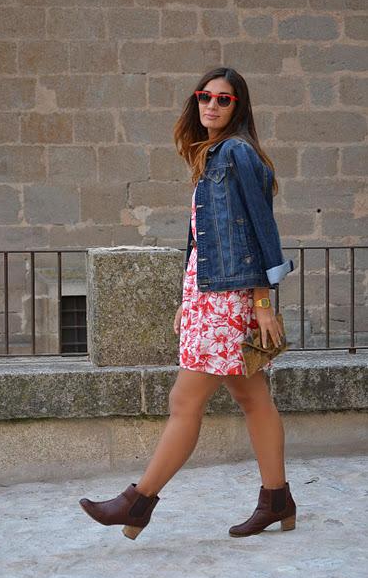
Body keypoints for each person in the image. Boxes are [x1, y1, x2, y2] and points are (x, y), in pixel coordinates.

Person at [79, 67, 297, 541]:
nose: (212, 106)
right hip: (208, 291)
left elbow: (261, 231)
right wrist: (188, 295)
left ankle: (138, 503)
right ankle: (277, 499)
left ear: (239, 108)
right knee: (251, 396)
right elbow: (203, 238)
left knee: (184, 400)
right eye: (205, 97)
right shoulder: (212, 156)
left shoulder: (236, 153)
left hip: (230, 295)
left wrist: (262, 301)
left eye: (224, 100)